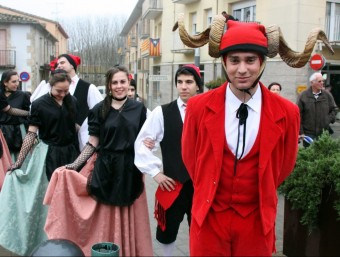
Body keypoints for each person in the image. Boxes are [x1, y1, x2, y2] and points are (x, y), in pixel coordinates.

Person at [173, 16, 334, 256]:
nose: (242, 69)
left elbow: (285, 165)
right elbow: (190, 157)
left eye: (250, 60)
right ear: (225, 62)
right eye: (234, 60)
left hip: (257, 221)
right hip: (208, 219)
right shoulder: (198, 107)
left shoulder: (287, 112)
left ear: (262, 63)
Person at [43, 66, 153, 256]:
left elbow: (145, 138)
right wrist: (74, 165)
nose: (119, 86)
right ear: (109, 85)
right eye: (115, 82)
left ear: (128, 83)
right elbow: (92, 143)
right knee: (108, 216)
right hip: (106, 168)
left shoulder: (139, 109)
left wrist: (149, 143)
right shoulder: (98, 109)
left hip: (130, 169)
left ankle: (127, 250)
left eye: (123, 82)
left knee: (128, 214)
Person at [0, 72, 80, 256]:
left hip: (70, 153)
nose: (62, 94)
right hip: (47, 154)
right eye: (59, 91)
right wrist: (19, 162)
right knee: (47, 200)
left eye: (66, 91)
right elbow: (31, 133)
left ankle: (69, 239)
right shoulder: (38, 104)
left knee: (69, 199)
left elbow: (74, 127)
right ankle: (47, 242)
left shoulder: (72, 101)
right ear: (50, 86)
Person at [134, 64, 202, 256]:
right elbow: (142, 144)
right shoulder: (161, 112)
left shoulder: (210, 111)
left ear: (198, 85)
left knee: (201, 231)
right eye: (179, 82)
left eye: (189, 82)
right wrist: (155, 173)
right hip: (173, 184)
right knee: (167, 230)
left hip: (202, 185)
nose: (183, 86)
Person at [56, 54, 103, 150]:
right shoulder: (52, 88)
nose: (59, 66)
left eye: (62, 62)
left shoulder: (89, 88)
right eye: (58, 64)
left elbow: (100, 112)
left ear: (72, 65)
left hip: (82, 142)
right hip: (59, 143)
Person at [297, 72, 337, 147]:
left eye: (323, 81)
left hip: (324, 132)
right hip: (308, 134)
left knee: (323, 155)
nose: (322, 83)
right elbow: (298, 114)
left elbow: (334, 109)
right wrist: (301, 132)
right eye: (319, 81)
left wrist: (328, 119)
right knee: (309, 155)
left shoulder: (327, 94)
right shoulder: (303, 95)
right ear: (312, 82)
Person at [0, 70, 30, 160]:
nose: (17, 84)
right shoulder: (0, 95)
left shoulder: (23, 95)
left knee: (19, 158)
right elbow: (8, 110)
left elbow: (28, 115)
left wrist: (30, 132)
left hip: (18, 130)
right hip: (1, 131)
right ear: (5, 82)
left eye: (18, 81)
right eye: (14, 81)